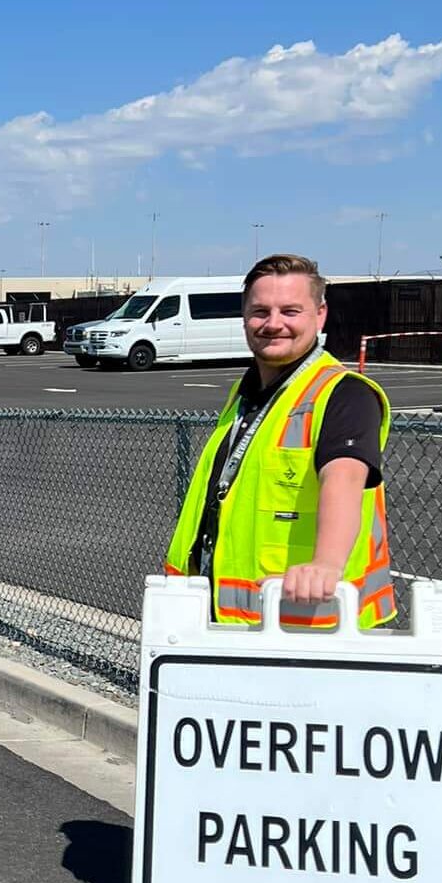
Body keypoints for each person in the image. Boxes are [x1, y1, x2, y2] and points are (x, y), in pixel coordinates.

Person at [164, 254, 395, 628]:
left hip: (306, 624)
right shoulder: (248, 392)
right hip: (224, 618)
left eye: (290, 311)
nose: (273, 324)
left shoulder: (343, 394)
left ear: (319, 315)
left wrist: (326, 563)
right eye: (260, 311)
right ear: (244, 317)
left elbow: (345, 478)